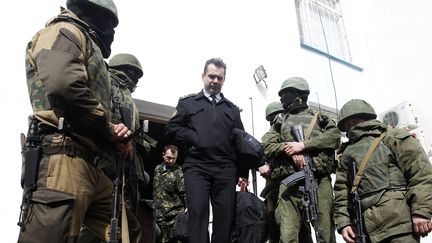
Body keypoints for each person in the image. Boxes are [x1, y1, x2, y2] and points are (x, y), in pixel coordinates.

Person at [18, 0, 130, 242]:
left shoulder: (88, 44)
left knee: (121, 232)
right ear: (90, 13)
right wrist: (107, 128)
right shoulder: (66, 31)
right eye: (109, 24)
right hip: (63, 157)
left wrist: (114, 139)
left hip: (91, 161)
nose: (111, 33)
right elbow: (64, 85)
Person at [165, 57, 270, 243]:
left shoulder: (232, 110)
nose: (215, 81)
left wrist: (243, 172)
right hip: (197, 167)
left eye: (219, 78)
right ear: (203, 76)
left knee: (225, 218)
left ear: (224, 79)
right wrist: (193, 137)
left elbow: (241, 141)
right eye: (211, 76)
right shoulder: (188, 103)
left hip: (225, 169)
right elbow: (171, 129)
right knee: (197, 214)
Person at [334, 99, 432, 243]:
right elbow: (342, 192)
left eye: (354, 122)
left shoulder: (393, 137)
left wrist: (421, 212)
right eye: (348, 125)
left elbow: (421, 174)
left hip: (399, 227)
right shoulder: (346, 154)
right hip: (366, 232)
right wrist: (344, 223)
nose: (351, 127)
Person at [77, 53, 152, 243]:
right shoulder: (109, 84)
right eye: (131, 72)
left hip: (125, 168)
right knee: (100, 222)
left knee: (123, 222)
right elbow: (101, 117)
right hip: (108, 163)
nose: (134, 77)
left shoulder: (126, 94)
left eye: (137, 74)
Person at [262, 77, 340, 243]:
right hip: (289, 182)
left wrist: (304, 145)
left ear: (299, 94)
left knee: (324, 232)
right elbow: (267, 145)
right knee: (288, 235)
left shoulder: (320, 118)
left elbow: (334, 138)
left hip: (319, 180)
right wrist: (288, 149)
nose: (282, 98)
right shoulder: (280, 121)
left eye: (286, 94)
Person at [261, 101, 284, 243]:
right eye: (272, 117)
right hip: (273, 186)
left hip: (291, 187)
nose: (276, 119)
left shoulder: (293, 133)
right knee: (273, 224)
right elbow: (262, 157)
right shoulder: (268, 138)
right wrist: (262, 165)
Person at [153, 145, 186, 243]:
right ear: (163, 155)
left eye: (174, 158)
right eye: (169, 158)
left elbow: (184, 192)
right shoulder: (157, 169)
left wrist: (188, 207)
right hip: (160, 216)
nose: (171, 161)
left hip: (175, 216)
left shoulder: (178, 172)